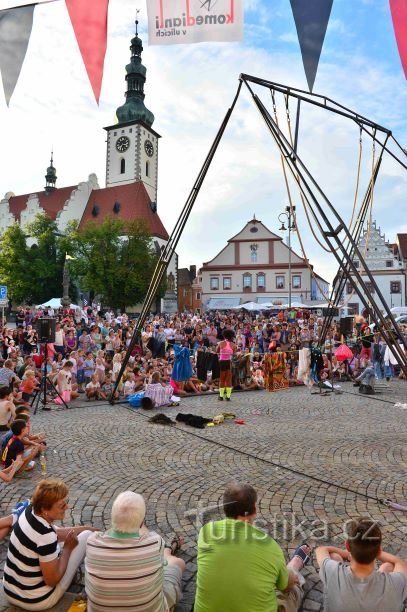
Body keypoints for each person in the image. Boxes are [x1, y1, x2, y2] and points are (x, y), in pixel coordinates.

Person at [194, 483, 309, 612]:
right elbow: (285, 587)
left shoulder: (206, 532)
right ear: (254, 508)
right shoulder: (269, 546)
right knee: (291, 588)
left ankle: (289, 569)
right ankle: (294, 566)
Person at [3, 479, 95, 610]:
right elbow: (52, 580)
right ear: (45, 509)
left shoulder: (29, 511)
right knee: (86, 537)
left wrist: (87, 528)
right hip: (36, 600)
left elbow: (56, 533)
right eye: (62, 505)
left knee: (86, 532)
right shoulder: (45, 535)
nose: (67, 507)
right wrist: (68, 549)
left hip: (10, 591)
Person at [85, 490, 185, 611]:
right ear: (142, 522)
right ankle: (168, 550)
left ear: (112, 517)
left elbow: (112, 531)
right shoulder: (155, 542)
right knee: (177, 563)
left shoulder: (92, 542)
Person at [316, 517, 407, 612]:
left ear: (347, 545)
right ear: (379, 551)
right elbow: (400, 563)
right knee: (389, 566)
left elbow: (321, 550)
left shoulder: (333, 571)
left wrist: (350, 553)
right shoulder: (397, 582)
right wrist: (373, 552)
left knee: (334, 556)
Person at [216, 329, 236, 401]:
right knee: (229, 380)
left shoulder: (220, 343)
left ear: (224, 335)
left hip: (222, 362)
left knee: (222, 380)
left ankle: (221, 396)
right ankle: (228, 396)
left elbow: (217, 351)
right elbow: (234, 354)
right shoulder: (233, 345)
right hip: (229, 362)